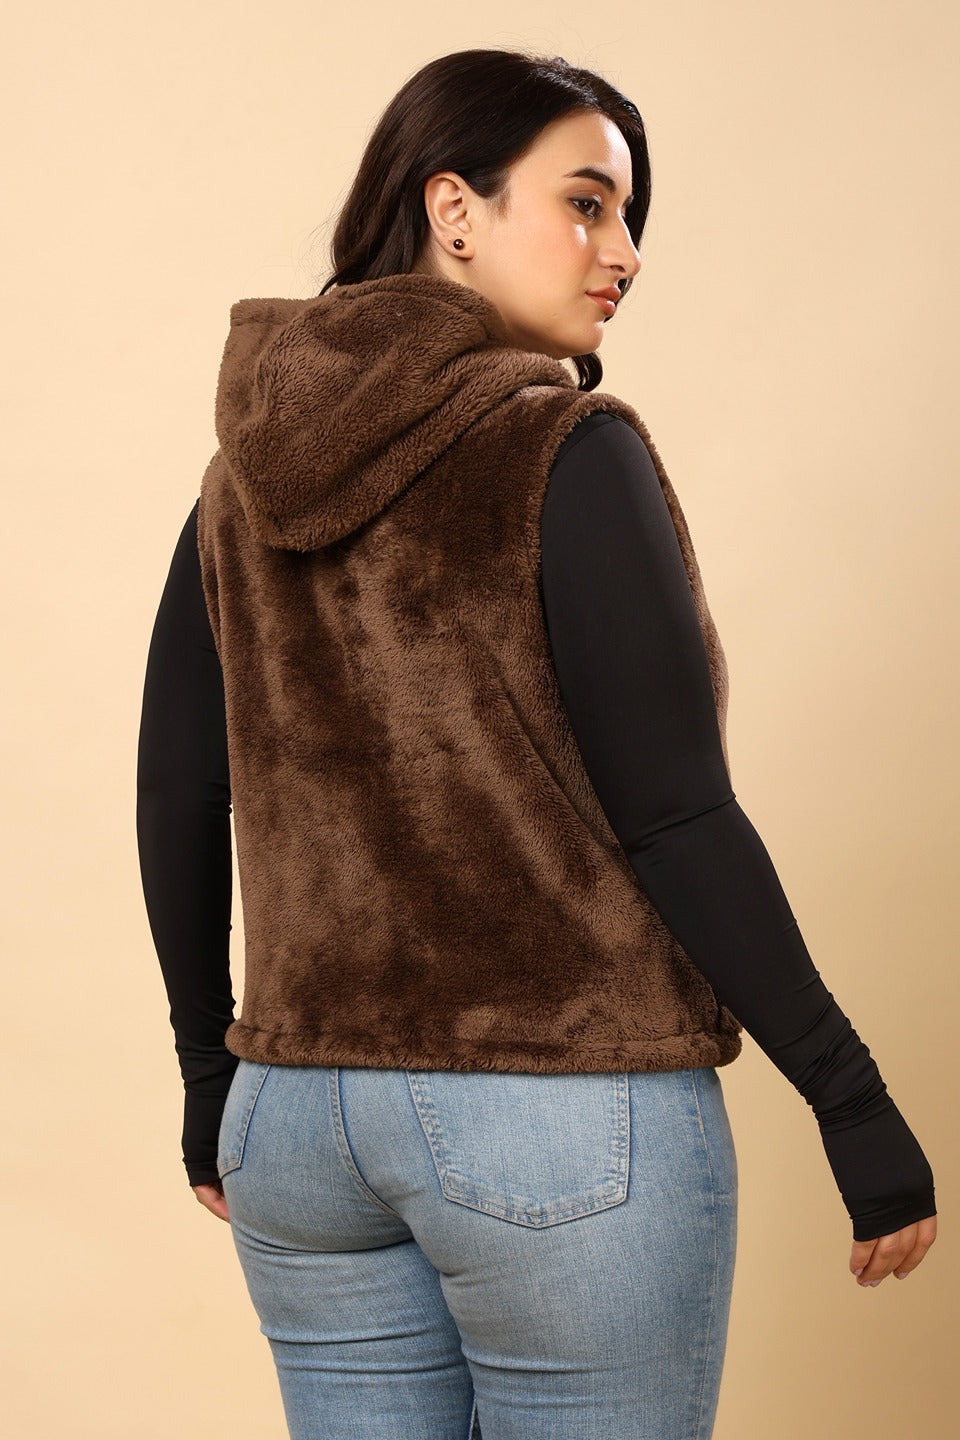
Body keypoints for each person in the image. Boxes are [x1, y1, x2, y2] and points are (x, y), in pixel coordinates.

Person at [136, 47, 937, 1440]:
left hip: (297, 1121)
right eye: (586, 203)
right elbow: (675, 816)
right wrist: (851, 1101)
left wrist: (214, 1072)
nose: (623, 252)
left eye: (629, 216)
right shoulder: (565, 450)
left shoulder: (236, 484)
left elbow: (178, 790)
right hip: (558, 1117)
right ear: (454, 209)